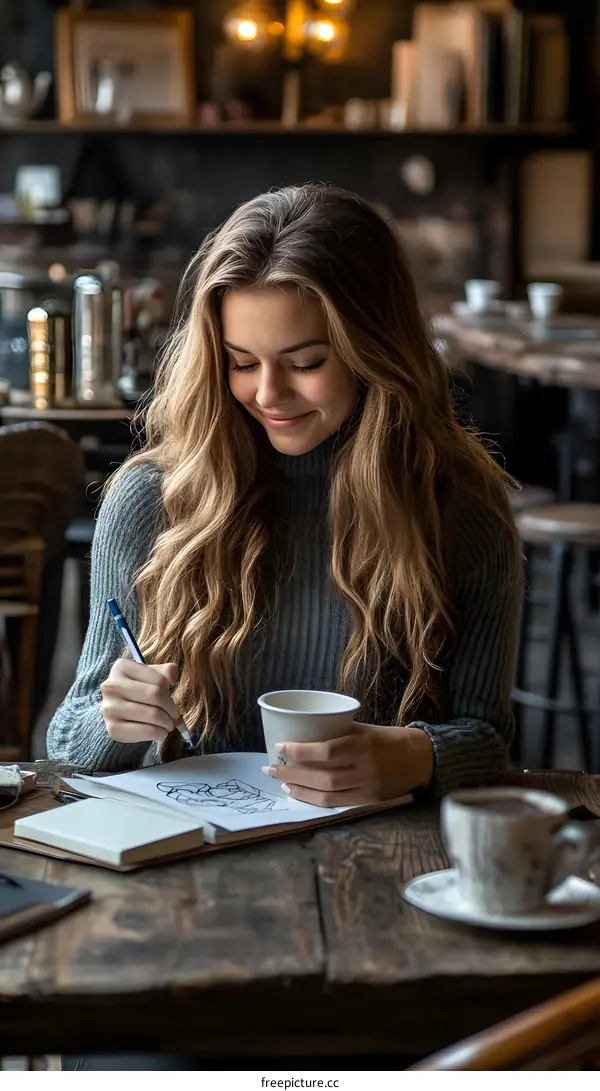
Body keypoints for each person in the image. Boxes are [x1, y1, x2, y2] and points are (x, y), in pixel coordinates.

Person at [51, 183, 523, 1070]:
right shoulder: (152, 500)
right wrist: (115, 719)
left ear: (375, 349)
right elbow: (68, 738)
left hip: (385, 899)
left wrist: (414, 755)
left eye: (305, 361)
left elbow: (491, 735)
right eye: (239, 361)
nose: (267, 394)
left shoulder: (459, 508)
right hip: (183, 903)